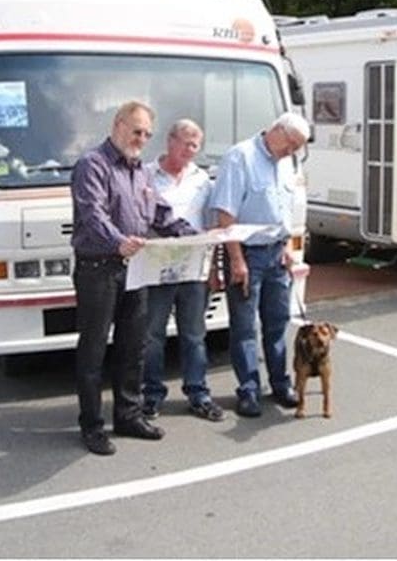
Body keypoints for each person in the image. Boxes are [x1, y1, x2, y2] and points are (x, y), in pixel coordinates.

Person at [70, 101, 196, 456]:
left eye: (146, 134)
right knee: (93, 350)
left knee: (133, 348)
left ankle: (128, 415)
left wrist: (192, 235)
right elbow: (92, 214)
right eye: (136, 130)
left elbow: (160, 213)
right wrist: (118, 242)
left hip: (136, 269)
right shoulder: (92, 165)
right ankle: (92, 426)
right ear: (118, 124)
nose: (141, 139)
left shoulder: (140, 171)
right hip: (98, 269)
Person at [209, 112, 311, 417]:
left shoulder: (286, 161)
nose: (292, 152)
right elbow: (226, 215)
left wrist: (287, 246)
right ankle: (249, 390)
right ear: (276, 131)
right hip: (247, 254)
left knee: (278, 322)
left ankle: (281, 384)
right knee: (244, 327)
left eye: (297, 148)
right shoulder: (240, 157)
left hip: (277, 253)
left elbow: (284, 209)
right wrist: (236, 259)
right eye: (290, 144)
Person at [141, 119, 224, 422]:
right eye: (185, 143)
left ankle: (198, 394)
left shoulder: (202, 180)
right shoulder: (146, 175)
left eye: (195, 145)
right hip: (156, 269)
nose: (189, 150)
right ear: (169, 141)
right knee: (152, 336)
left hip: (193, 271)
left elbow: (211, 225)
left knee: (194, 335)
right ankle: (150, 396)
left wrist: (215, 268)